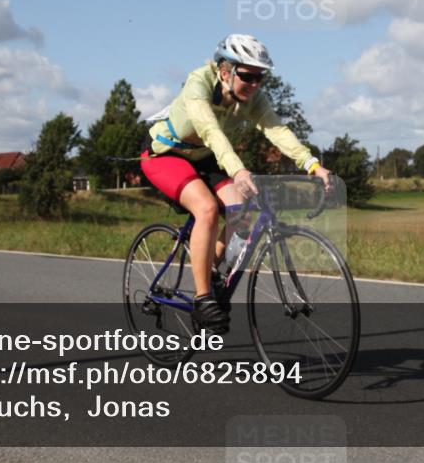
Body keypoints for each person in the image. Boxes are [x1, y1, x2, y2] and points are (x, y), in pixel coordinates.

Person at [140, 34, 331, 335]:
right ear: (225, 71)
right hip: (166, 154)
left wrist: (312, 165)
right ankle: (204, 299)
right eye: (248, 76)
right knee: (206, 209)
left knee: (240, 208)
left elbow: (276, 130)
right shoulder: (198, 83)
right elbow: (210, 130)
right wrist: (238, 171)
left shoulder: (252, 99)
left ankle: (211, 271)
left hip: (206, 158)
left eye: (260, 78)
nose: (255, 84)